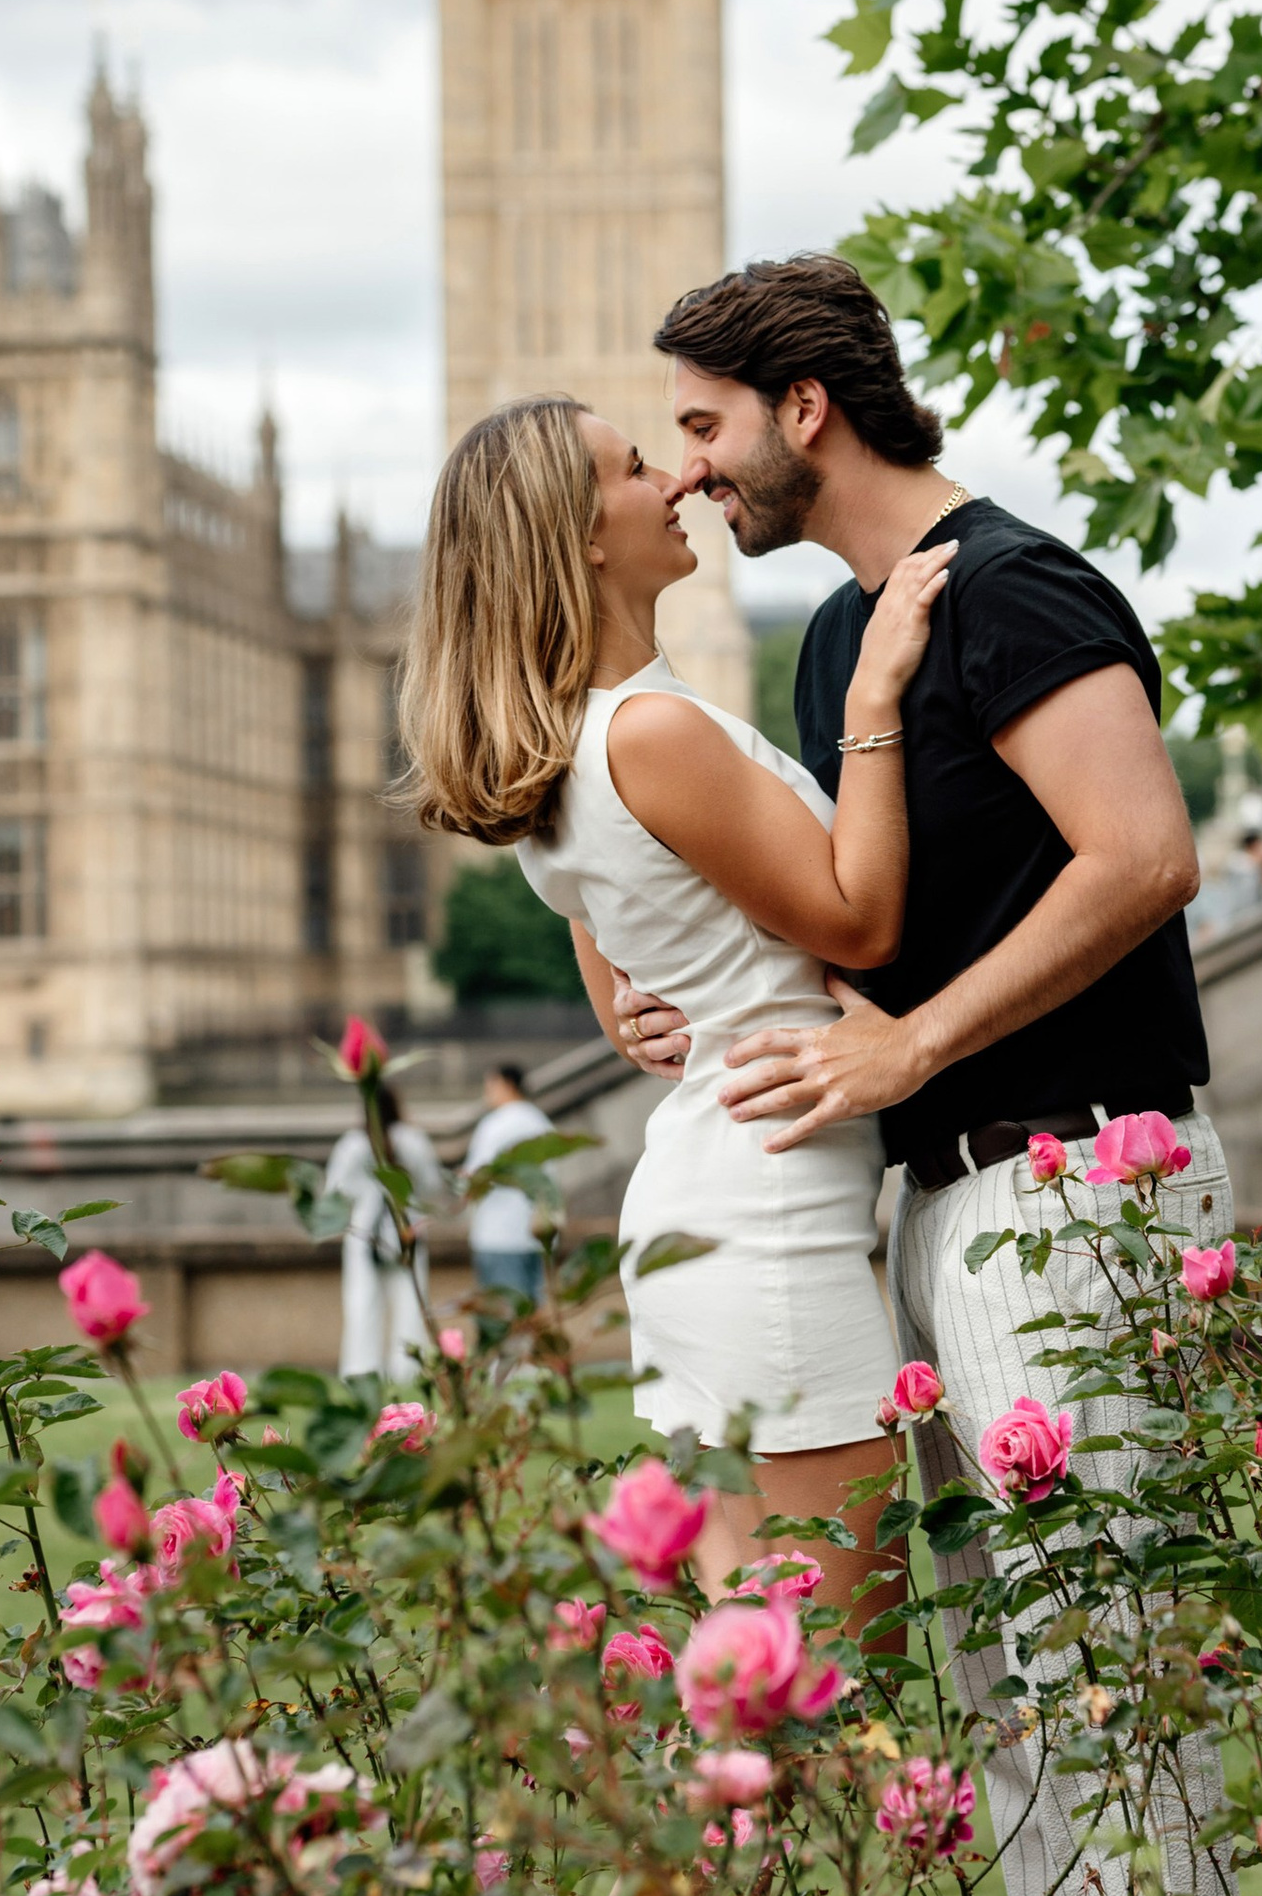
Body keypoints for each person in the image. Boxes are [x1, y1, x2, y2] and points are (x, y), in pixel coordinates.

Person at [627, 253, 1234, 1896]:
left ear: (802, 409)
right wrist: (732, 997)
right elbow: (876, 920)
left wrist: (911, 1046)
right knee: (1013, 1687)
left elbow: (1147, 855)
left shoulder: (1017, 588)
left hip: (1077, 1182)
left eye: (700, 422)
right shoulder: (839, 640)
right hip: (945, 1204)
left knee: (1108, 1676)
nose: (683, 467)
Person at [398, 392, 954, 1616]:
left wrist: (652, 1004)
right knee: (832, 1666)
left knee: (763, 1670)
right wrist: (871, 709)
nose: (680, 481)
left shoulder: (578, 744)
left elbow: (621, 979)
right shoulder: (650, 731)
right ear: (580, 533)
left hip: (717, 1206)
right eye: (637, 466)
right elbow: (856, 919)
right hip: (766, 1227)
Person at [324, 1077, 447, 1384]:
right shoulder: (413, 1140)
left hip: (364, 1232)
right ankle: (408, 1370)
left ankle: (361, 1370)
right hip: (407, 1229)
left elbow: (334, 1192)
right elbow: (432, 1185)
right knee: (410, 1304)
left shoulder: (353, 1145)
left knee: (362, 1306)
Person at [463, 1061, 551, 1303]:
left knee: (504, 1312)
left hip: (498, 1233)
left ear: (508, 1085)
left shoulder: (495, 1124)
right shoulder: (539, 1121)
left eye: (491, 1085)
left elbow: (476, 1176)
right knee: (531, 1313)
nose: (486, 1092)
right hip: (534, 1233)